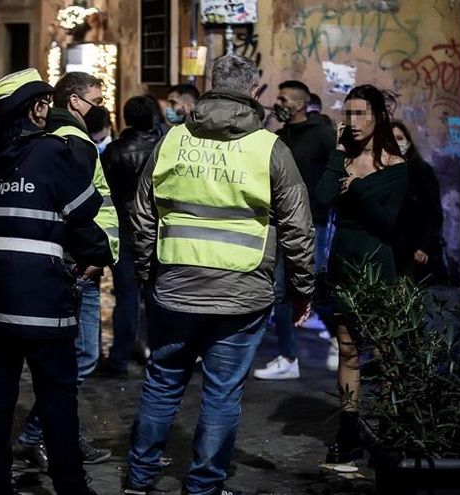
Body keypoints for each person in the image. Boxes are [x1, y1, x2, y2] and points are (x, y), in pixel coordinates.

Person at [125, 54, 315, 495]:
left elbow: (141, 214)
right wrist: (302, 290)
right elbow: (297, 227)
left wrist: (147, 274)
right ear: (253, 92)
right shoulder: (269, 148)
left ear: (211, 83)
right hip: (241, 292)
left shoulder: (172, 140)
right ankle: (204, 486)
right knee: (222, 393)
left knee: (161, 383)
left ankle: (139, 477)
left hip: (175, 286)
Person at [0, 67, 109, 495]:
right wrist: (99, 255)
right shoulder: (51, 152)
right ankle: (70, 486)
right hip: (42, 296)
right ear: (38, 108)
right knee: (57, 394)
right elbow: (83, 214)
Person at [16, 71, 119, 468]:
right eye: (96, 100)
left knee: (69, 358)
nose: (100, 108)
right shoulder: (75, 141)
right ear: (75, 101)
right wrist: (91, 259)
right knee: (81, 357)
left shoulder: (50, 136)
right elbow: (76, 209)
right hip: (79, 266)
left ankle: (55, 436)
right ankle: (43, 436)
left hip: (67, 262)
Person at [315, 84, 408, 464]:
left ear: (377, 116)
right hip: (344, 261)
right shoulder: (343, 159)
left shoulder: (396, 166)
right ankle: (349, 432)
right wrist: (339, 153)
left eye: (360, 114)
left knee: (384, 351)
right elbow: (321, 198)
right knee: (348, 349)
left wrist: (358, 191)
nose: (352, 122)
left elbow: (387, 225)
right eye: (347, 113)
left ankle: (390, 429)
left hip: (377, 263)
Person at [252, 80, 337, 381]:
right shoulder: (281, 136)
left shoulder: (322, 134)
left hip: (312, 222)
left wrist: (323, 202)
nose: (279, 104)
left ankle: (341, 338)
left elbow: (337, 169)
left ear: (300, 104)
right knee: (280, 292)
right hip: (282, 222)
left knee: (312, 287)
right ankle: (288, 357)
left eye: (284, 99)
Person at [97, 95, 164, 377]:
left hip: (125, 230)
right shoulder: (165, 148)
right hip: (158, 230)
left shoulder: (114, 151)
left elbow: (105, 193)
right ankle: (159, 355)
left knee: (126, 296)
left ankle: (119, 358)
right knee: (156, 296)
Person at [392, 121, 446, 284]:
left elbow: (433, 213)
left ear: (408, 142)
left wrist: (423, 247)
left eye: (400, 138)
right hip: (392, 249)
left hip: (414, 251)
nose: (396, 143)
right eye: (392, 139)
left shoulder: (421, 171)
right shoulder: (384, 174)